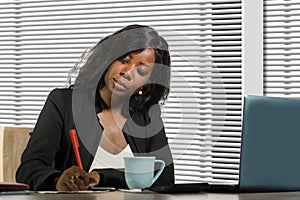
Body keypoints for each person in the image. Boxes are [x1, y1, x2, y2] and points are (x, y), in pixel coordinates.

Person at [16, 24, 174, 191]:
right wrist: (57, 180)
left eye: (141, 71)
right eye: (123, 60)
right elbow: (29, 169)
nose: (127, 72)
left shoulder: (148, 116)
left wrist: (101, 177)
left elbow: (165, 177)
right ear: (109, 59)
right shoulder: (64, 103)